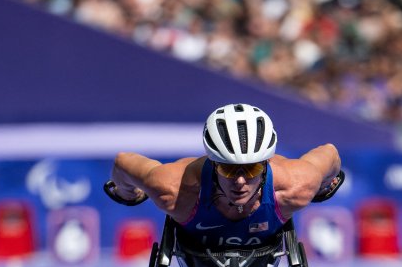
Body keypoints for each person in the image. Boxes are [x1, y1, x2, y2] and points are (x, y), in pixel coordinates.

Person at [106, 103, 342, 250]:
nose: (240, 181)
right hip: (197, 247)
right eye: (228, 169)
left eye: (251, 169)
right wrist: (128, 192)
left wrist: (321, 186)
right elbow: (122, 162)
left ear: (266, 163)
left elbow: (330, 153)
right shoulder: (172, 189)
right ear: (214, 163)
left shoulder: (296, 185)